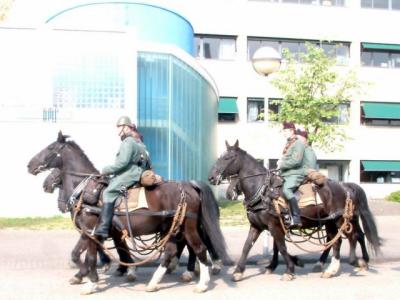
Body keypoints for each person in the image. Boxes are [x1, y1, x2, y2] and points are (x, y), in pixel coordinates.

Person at [94, 116, 151, 239]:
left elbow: (122, 163)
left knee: (108, 192)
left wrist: (105, 170)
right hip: (136, 171)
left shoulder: (128, 142)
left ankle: (103, 227)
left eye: (119, 127)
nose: (118, 130)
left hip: (130, 173)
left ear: (126, 127)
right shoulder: (138, 142)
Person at [277, 121, 306, 228]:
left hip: (295, 174)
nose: (284, 133)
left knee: (286, 190)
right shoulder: (289, 144)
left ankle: (296, 217)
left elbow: (296, 161)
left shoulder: (298, 143)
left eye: (285, 131)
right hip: (286, 174)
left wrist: (282, 164)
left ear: (291, 131)